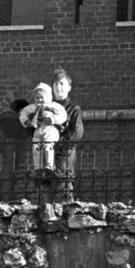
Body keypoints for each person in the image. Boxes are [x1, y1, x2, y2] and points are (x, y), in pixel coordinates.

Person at [48, 67, 84, 200]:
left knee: (63, 192)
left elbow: (76, 133)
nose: (58, 87)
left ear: (69, 87)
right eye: (55, 84)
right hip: (45, 156)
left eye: (62, 83)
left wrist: (57, 143)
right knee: (45, 195)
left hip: (64, 157)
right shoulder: (47, 107)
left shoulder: (74, 109)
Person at [18, 82, 68, 173]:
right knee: (36, 147)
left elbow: (63, 115)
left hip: (50, 130)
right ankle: (38, 167)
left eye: (42, 97)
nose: (39, 100)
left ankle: (49, 166)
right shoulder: (33, 107)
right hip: (38, 130)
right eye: (37, 98)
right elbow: (23, 113)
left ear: (48, 97)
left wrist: (53, 119)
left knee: (48, 146)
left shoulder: (53, 105)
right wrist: (26, 121)